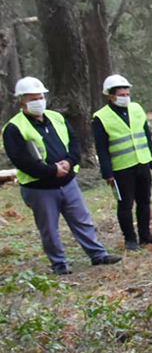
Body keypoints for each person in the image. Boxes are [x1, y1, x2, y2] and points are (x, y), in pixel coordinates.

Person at [4, 77, 122, 275]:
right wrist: (52, 170)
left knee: (82, 220)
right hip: (39, 188)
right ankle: (59, 264)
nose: (39, 101)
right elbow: (21, 160)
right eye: (33, 98)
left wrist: (69, 161)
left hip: (68, 182)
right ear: (22, 101)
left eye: (41, 97)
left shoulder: (57, 118)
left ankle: (98, 254)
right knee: (49, 228)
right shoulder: (14, 128)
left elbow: (75, 143)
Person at [92, 74, 152, 250]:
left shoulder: (137, 109)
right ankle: (130, 239)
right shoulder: (101, 117)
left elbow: (146, 134)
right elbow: (101, 148)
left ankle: (145, 235)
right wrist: (107, 172)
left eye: (127, 93)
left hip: (142, 162)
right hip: (121, 167)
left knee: (144, 201)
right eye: (121, 94)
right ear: (111, 96)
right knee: (125, 204)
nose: (126, 97)